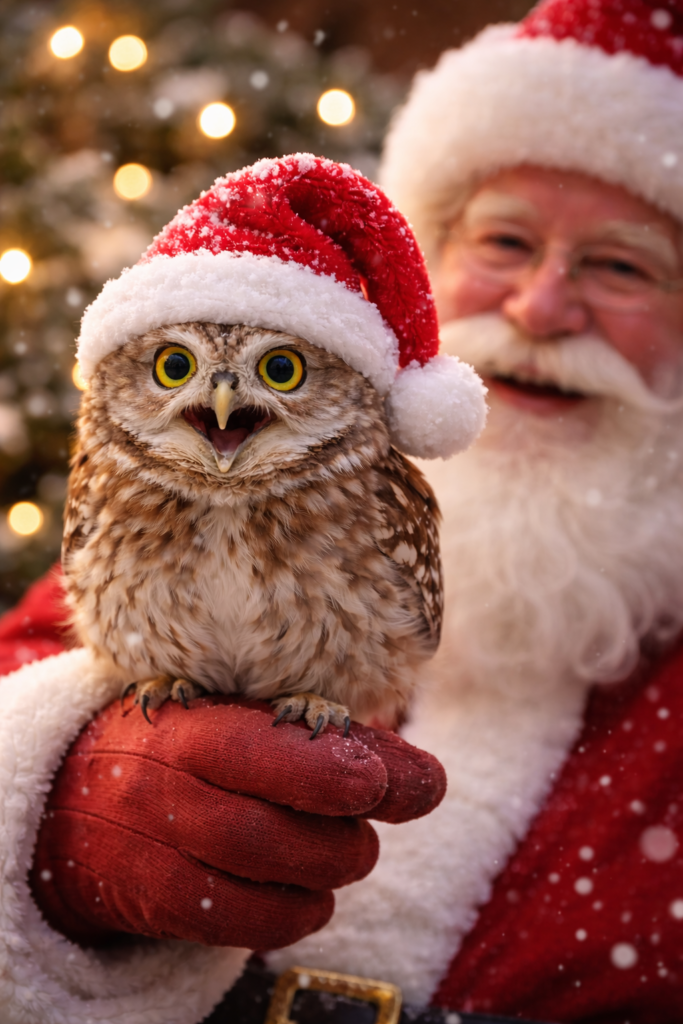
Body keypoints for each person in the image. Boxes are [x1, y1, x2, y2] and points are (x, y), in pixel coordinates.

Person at [2, 0, 683, 1021]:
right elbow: (26, 665)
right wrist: (55, 824)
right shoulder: (183, 472)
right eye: (503, 242)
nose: (542, 310)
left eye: (619, 265)